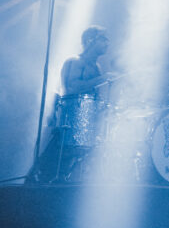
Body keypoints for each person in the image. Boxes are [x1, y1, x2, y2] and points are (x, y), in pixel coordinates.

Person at [26, 26, 112, 184]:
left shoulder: (96, 67)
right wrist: (102, 79)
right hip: (70, 118)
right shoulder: (74, 61)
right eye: (103, 39)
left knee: (75, 159)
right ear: (90, 40)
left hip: (86, 119)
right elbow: (71, 88)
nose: (107, 43)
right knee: (57, 158)